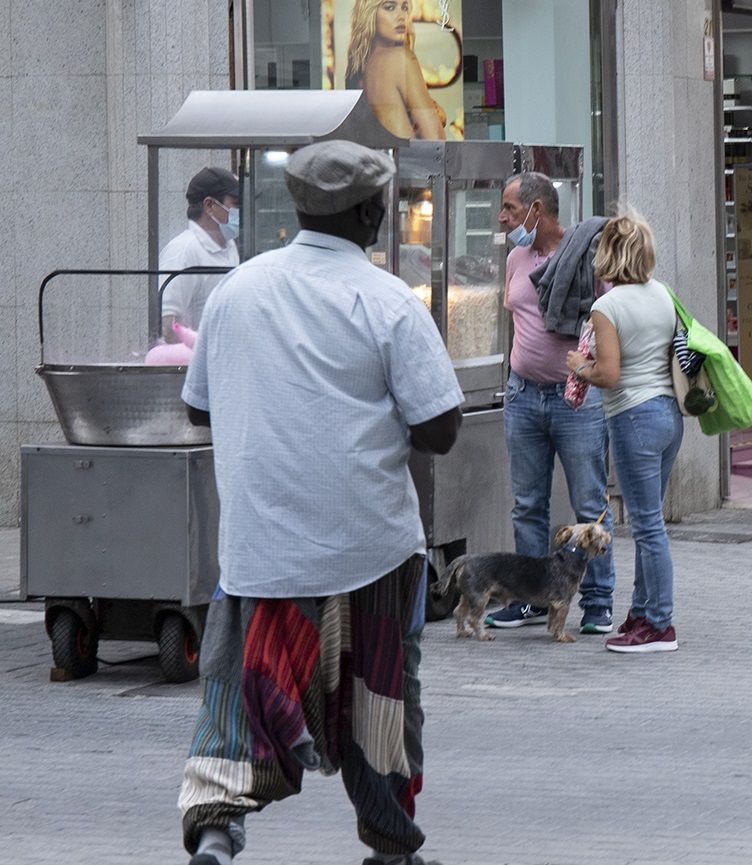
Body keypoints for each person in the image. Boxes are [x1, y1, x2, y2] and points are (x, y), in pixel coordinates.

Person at [178, 140, 463, 865]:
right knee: (380, 698)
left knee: (235, 692)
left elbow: (199, 411)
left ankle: (215, 826)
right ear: (370, 211)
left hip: (260, 548)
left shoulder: (238, 289)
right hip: (368, 548)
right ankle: (391, 844)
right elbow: (441, 429)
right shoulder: (387, 298)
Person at [482, 172, 618, 635]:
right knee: (527, 503)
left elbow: (609, 321)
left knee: (588, 501)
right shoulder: (516, 258)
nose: (503, 217)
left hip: (574, 399)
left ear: (538, 210)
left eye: (511, 208)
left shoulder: (587, 257)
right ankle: (530, 599)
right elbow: (515, 320)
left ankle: (597, 603)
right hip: (522, 395)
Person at [569, 213, 687, 651]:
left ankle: (659, 624)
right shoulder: (663, 294)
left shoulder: (607, 307)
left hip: (632, 417)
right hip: (668, 416)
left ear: (609, 254)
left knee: (648, 526)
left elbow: (610, 374)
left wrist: (578, 366)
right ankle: (641, 612)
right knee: (649, 520)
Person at [159, 167, 242, 338]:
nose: (241, 212)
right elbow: (168, 328)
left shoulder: (229, 246)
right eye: (236, 204)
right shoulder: (183, 251)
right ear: (210, 206)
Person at [345, 0, 446, 139]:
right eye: (390, 7)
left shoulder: (357, 71)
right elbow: (437, 144)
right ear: (370, 13)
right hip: (405, 160)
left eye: (404, 7)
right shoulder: (400, 59)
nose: (401, 16)